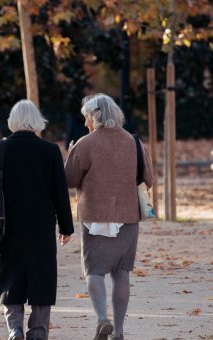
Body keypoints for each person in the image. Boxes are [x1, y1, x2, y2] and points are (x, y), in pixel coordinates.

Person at [0, 99, 74, 340]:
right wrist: (66, 227)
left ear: (13, 121)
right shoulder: (50, 150)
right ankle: (38, 332)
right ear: (37, 121)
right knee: (42, 277)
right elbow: (60, 192)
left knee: (11, 275)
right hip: (41, 225)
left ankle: (15, 329)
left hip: (8, 224)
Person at [64, 94, 153, 340]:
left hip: (94, 216)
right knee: (121, 272)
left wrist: (72, 152)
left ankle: (103, 319)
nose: (84, 124)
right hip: (127, 216)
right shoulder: (134, 142)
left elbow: (68, 180)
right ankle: (120, 331)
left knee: (94, 271)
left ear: (94, 116)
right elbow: (150, 180)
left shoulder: (85, 143)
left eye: (86, 118)